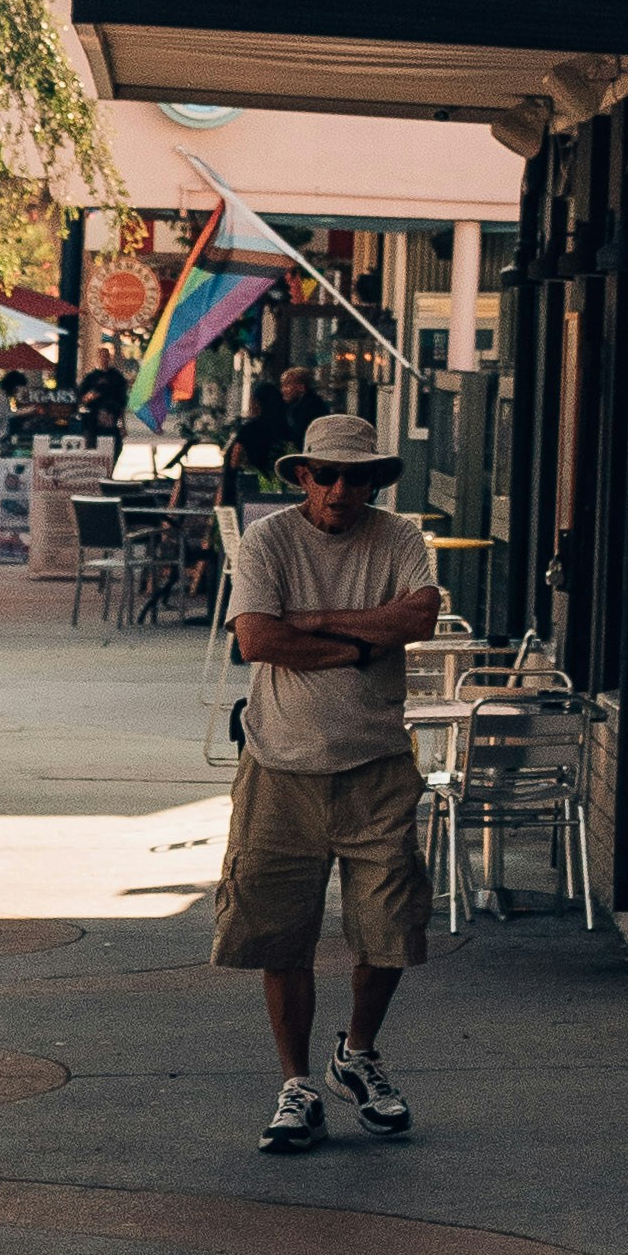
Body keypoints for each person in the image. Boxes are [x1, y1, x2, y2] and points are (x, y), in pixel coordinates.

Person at [213, 408, 443, 1154]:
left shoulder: (398, 536)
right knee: (280, 932)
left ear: (374, 479)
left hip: (376, 762)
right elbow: (256, 637)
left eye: (358, 475)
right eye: (327, 473)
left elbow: (421, 613)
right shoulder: (269, 538)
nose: (342, 488)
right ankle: (296, 1083)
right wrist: (355, 646)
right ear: (304, 475)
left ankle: (357, 1053)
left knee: (390, 927)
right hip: (279, 764)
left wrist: (315, 621)